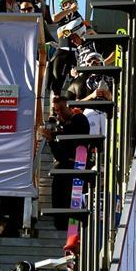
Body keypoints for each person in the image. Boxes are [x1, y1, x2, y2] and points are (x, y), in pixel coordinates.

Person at [38, 93, 91, 230]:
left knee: (71, 199)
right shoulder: (63, 124)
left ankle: (72, 225)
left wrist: (55, 137)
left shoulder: (79, 119)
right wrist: (52, 139)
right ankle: (62, 224)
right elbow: (60, 154)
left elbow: (71, 146)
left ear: (70, 107)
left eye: (61, 109)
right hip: (64, 167)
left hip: (76, 166)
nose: (59, 113)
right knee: (59, 198)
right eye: (56, 110)